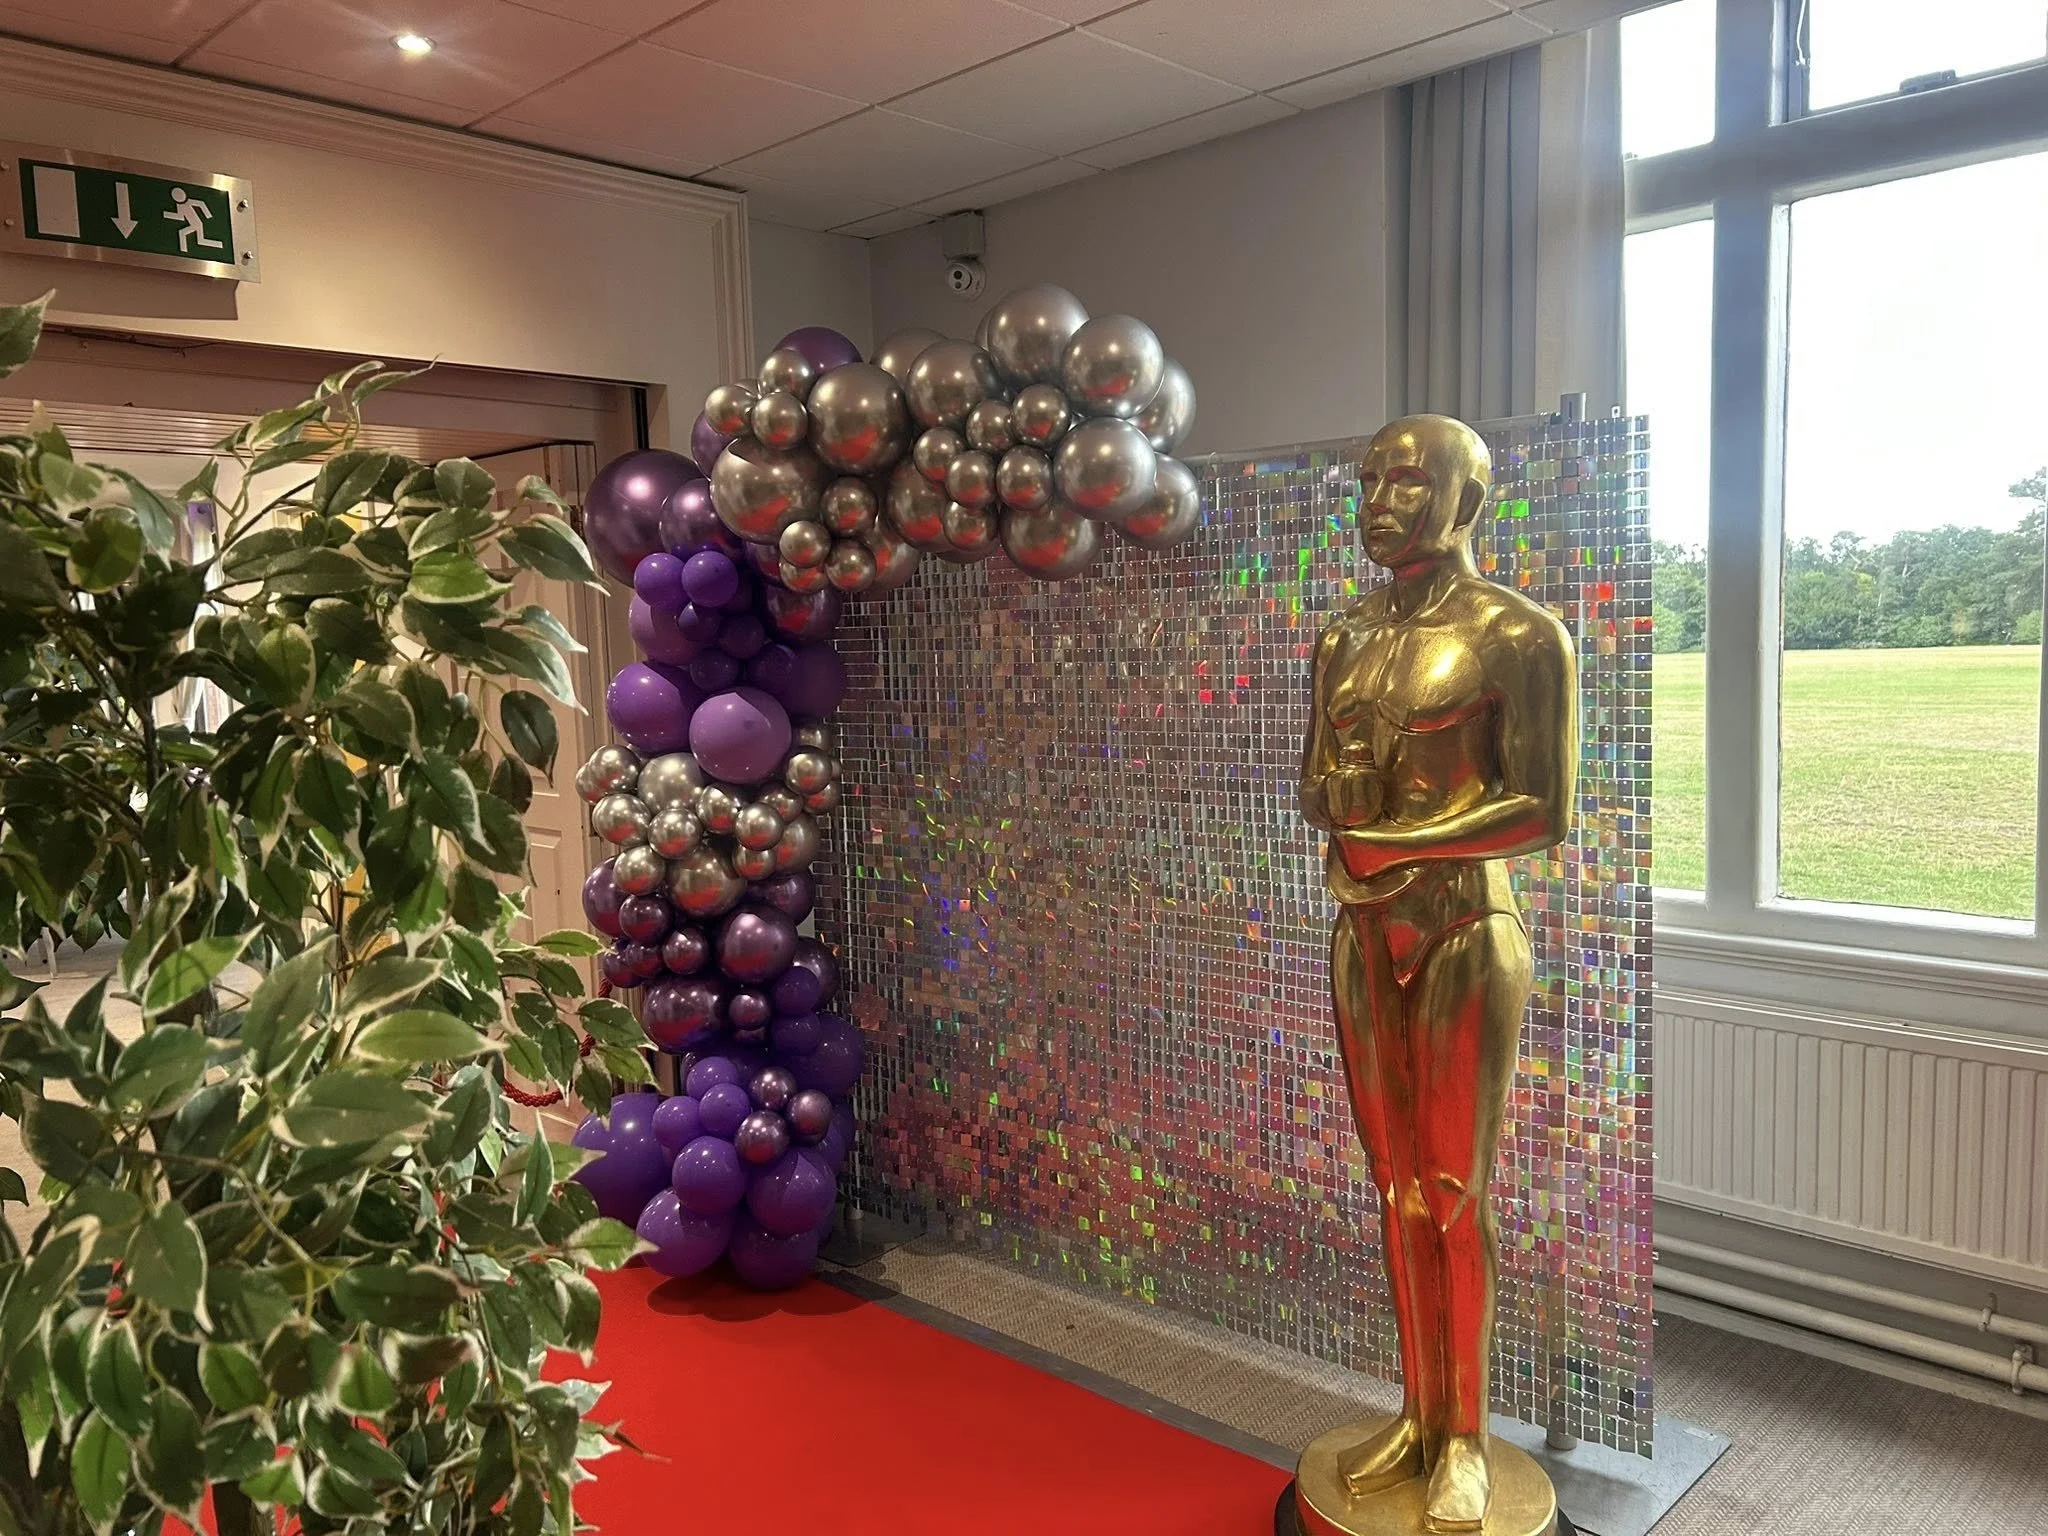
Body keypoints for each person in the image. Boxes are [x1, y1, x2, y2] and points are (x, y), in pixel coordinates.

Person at [1298, 415, 1576, 1532]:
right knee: (1391, 1190)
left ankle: (1465, 1436)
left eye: (1405, 481)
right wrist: (1341, 793)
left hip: (1465, 933)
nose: (1377, 499)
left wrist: (1402, 842)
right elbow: (1316, 788)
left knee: (1453, 1193)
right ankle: (1415, 1415)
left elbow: (1545, 810)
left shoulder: (1517, 636)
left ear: (1464, 500)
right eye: (1367, 478)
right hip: (1363, 937)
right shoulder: (1342, 639)